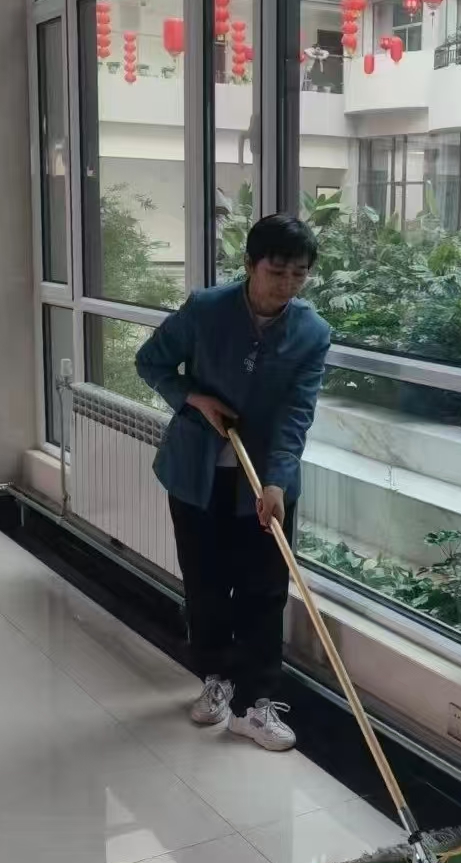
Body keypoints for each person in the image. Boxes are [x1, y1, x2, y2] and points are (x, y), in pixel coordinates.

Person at [136, 214, 330, 751]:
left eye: (299, 274)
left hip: (263, 483)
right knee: (205, 584)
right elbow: (151, 362)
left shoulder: (311, 332)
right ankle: (216, 680)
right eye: (276, 272)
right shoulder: (206, 309)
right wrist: (194, 399)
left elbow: (296, 414)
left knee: (264, 591)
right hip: (196, 475)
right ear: (249, 265)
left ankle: (254, 705)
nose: (286, 285)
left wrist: (277, 482)